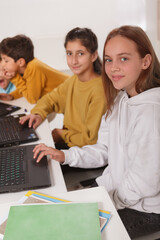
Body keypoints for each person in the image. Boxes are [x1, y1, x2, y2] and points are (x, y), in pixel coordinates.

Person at [33, 25, 160, 239]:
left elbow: (144, 183)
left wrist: (104, 201)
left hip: (145, 211)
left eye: (124, 59)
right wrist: (65, 155)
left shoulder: (151, 113)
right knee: (50, 216)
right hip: (118, 193)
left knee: (65, 232)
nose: (114, 68)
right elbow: (104, 149)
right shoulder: (121, 98)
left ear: (145, 61)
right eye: (109, 59)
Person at [20, 27, 107, 149]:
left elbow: (91, 139)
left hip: (83, 154)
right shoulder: (73, 81)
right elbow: (50, 99)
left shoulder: (99, 90)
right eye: (69, 53)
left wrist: (61, 135)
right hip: (69, 146)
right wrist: (38, 114)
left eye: (80, 54)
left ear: (93, 56)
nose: (74, 61)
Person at [0, 34, 69, 104]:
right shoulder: (27, 67)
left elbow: (32, 99)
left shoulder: (33, 68)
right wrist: (12, 96)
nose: (2, 64)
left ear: (20, 62)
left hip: (75, 91)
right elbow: (29, 88)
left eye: (6, 61)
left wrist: (14, 78)